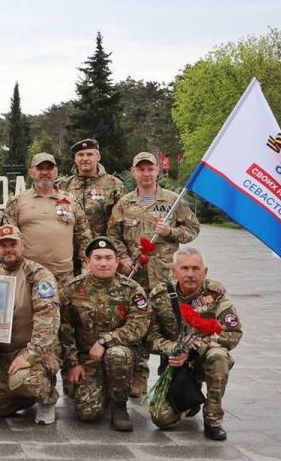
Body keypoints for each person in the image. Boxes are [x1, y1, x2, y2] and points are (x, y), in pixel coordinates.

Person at [108, 151, 200, 395]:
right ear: (134, 172)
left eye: (150, 169)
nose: (146, 173)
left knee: (170, 326)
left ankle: (169, 378)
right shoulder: (125, 203)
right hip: (135, 277)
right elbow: (113, 235)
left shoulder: (172, 200)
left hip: (166, 278)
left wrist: (171, 232)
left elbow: (193, 228)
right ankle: (138, 377)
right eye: (141, 169)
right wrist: (123, 260)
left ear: (157, 171)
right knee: (137, 324)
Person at [146, 247, 242, 441]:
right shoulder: (160, 295)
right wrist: (173, 349)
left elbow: (232, 332)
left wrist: (194, 348)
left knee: (218, 357)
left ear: (204, 272)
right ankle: (191, 399)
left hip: (203, 360)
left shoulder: (215, 293)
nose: (190, 274)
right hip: (175, 367)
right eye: (184, 268)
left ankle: (212, 419)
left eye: (196, 268)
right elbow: (149, 336)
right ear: (174, 271)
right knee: (161, 419)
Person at [59, 237, 149, 431]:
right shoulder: (73, 289)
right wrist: (72, 364)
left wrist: (105, 341)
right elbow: (64, 329)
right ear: (87, 261)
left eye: (109, 258)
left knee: (117, 353)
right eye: (98, 258)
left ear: (117, 262)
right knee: (88, 413)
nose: (103, 263)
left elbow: (139, 325)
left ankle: (119, 406)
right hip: (87, 360)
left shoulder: (131, 289)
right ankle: (104, 389)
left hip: (123, 357)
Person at [0, 225, 60, 423]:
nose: (8, 249)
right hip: (4, 352)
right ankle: (23, 396)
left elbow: (48, 320)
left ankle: (46, 398)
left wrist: (30, 355)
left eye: (13, 244)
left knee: (26, 379)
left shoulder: (38, 275)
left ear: (22, 245)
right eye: (3, 245)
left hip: (34, 349)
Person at [2, 152, 92, 285]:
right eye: (40, 168)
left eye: (49, 168)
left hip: (63, 276)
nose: (45, 172)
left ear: (56, 172)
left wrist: (86, 268)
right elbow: (8, 240)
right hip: (28, 275)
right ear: (31, 172)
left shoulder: (71, 201)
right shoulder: (17, 201)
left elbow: (84, 237)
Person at [56, 138, 126, 238]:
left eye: (89, 154)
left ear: (98, 157)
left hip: (103, 245)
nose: (85, 158)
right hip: (70, 245)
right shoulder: (63, 186)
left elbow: (120, 222)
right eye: (80, 155)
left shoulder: (115, 185)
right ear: (75, 159)